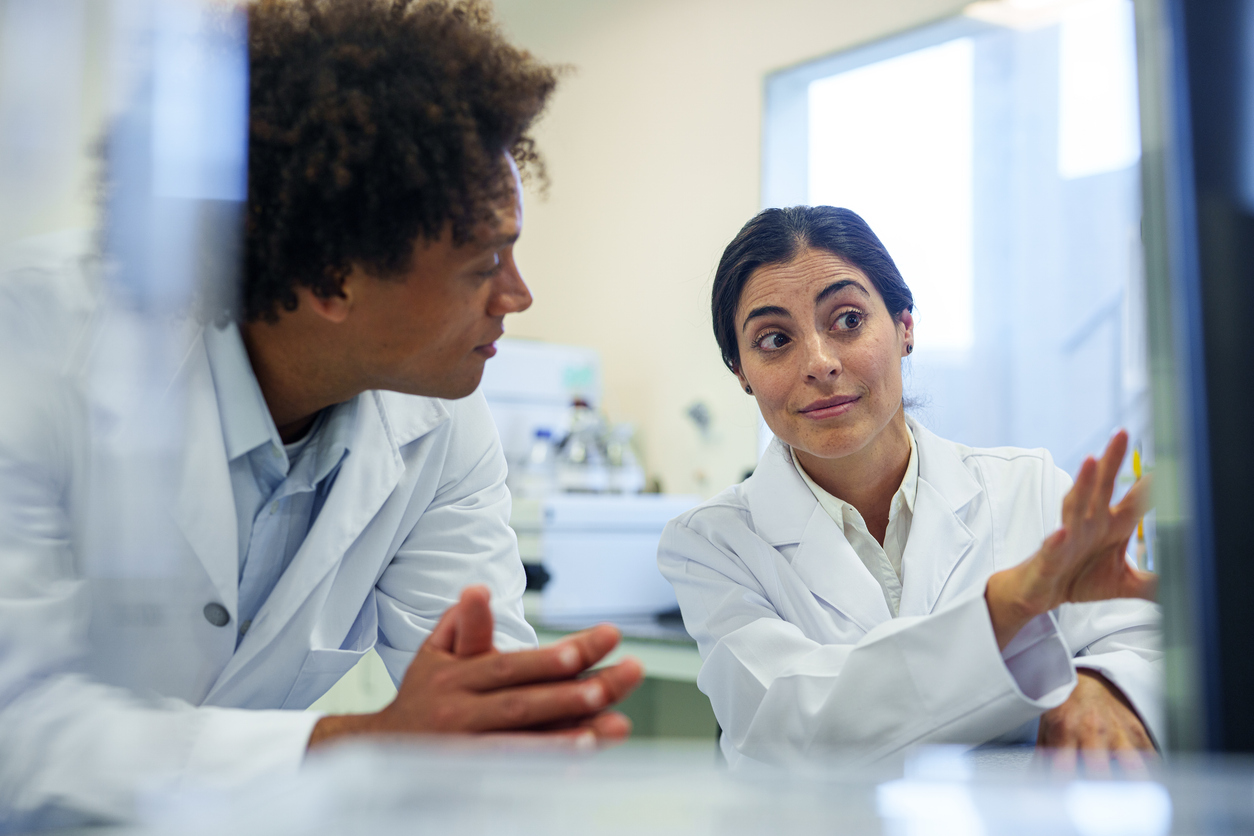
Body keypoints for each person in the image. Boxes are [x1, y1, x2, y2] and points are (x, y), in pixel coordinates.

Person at [0, 0, 642, 826]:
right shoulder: (35, 341)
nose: (518, 296)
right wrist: (359, 743)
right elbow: (18, 727)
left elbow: (476, 711)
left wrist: (521, 729)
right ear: (333, 278)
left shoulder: (442, 425)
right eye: (484, 261)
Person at [657, 206, 1161, 768]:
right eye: (775, 339)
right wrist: (1001, 614)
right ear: (741, 374)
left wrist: (1102, 683)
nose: (820, 363)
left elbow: (1145, 646)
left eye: (847, 320)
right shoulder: (711, 544)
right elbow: (791, 720)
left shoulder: (1030, 487)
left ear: (904, 328)